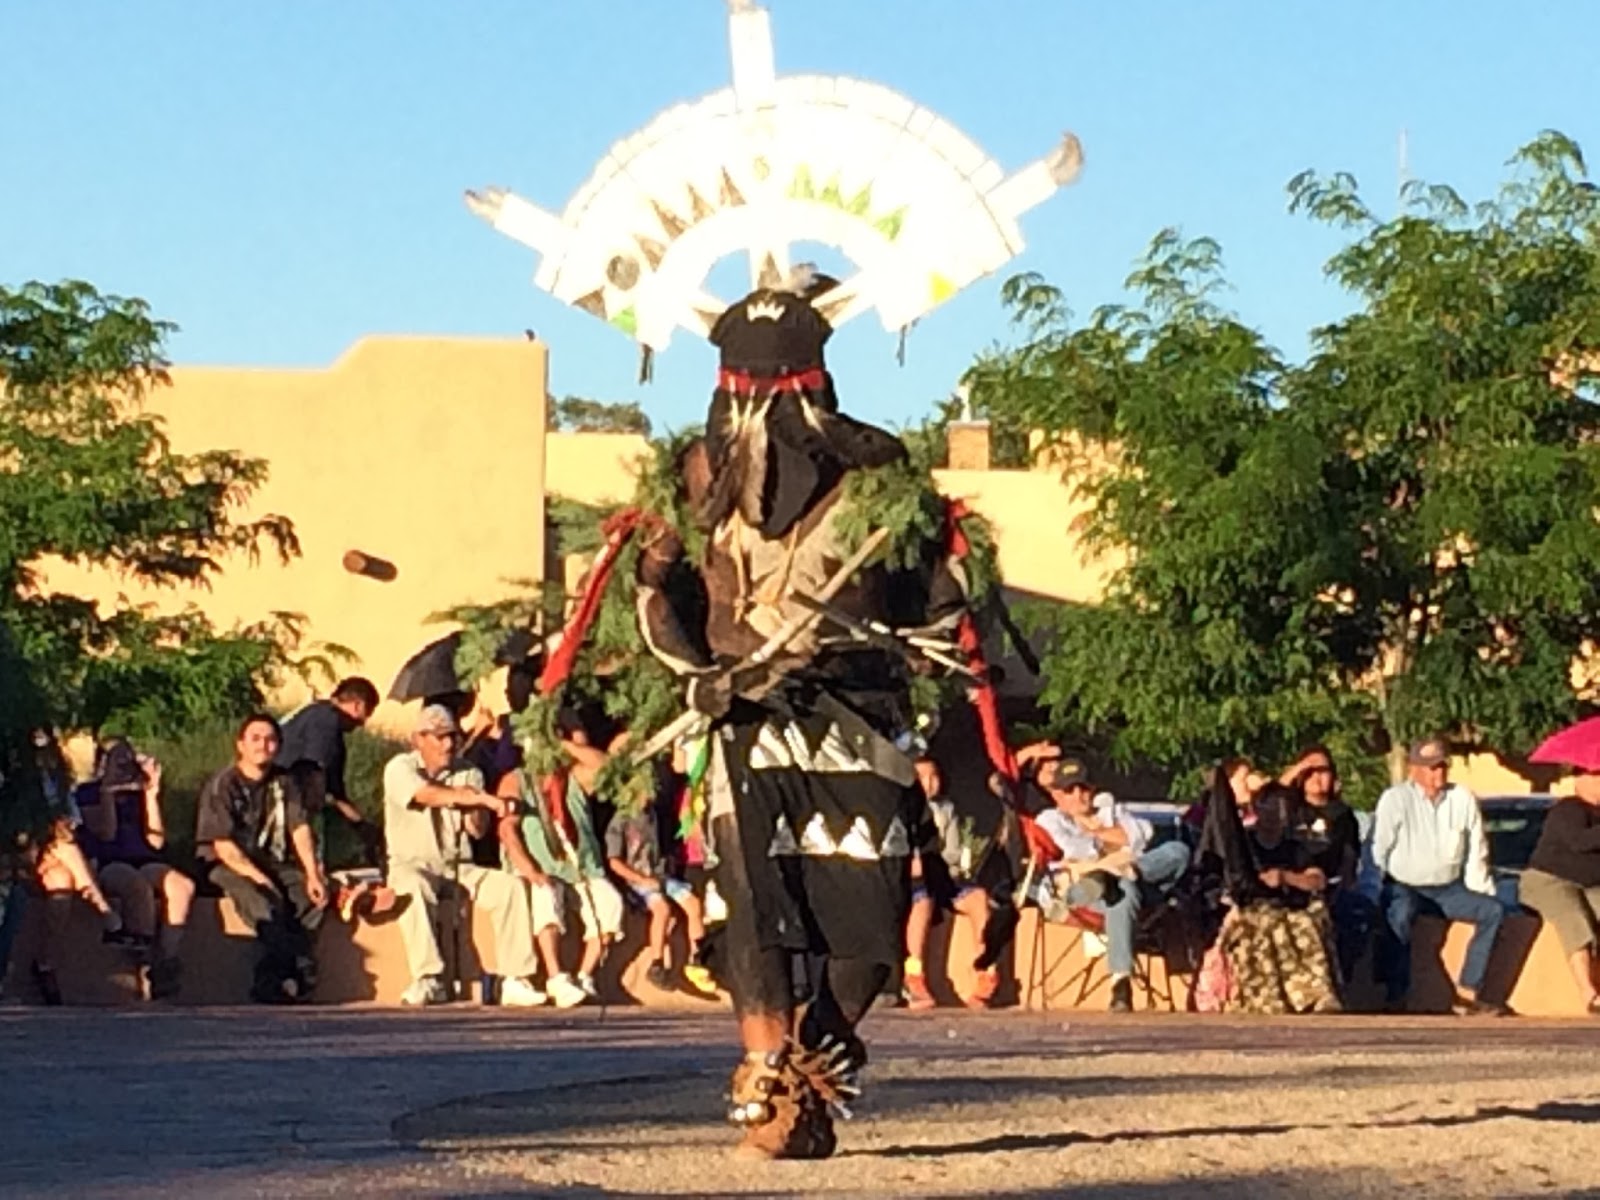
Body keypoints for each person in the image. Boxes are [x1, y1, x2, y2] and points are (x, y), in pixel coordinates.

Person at [631, 270, 965, 1158]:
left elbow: (937, 593)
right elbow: (654, 588)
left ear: (815, 375)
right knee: (753, 904)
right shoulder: (695, 475)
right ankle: (770, 1081)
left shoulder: (878, 469)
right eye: (744, 381)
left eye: (774, 379)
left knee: (870, 912)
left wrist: (925, 631)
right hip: (744, 717)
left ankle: (805, 1073)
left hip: (859, 716)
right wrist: (694, 667)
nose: (760, 402)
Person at [381, 704, 547, 1007]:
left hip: (458, 866)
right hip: (413, 864)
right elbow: (423, 795)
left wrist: (476, 807)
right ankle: (428, 979)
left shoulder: (469, 772)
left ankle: (516, 977)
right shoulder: (400, 767)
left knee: (509, 887)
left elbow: (477, 831)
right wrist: (468, 797)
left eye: (452, 737)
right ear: (419, 739)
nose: (447, 744)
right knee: (412, 887)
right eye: (439, 737)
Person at [1030, 751, 1192, 1013]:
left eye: (1083, 788)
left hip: (1132, 880)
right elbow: (1076, 848)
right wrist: (1109, 843)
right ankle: (1120, 981)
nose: (1079, 795)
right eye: (1070, 790)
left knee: (1177, 851)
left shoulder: (1111, 809)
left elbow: (1143, 834)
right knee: (1119, 888)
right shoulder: (1049, 820)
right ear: (1058, 794)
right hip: (1081, 892)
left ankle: (1130, 872)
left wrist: (1107, 843)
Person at [195, 713, 328, 1003]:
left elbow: (299, 827)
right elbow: (223, 845)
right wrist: (261, 879)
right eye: (255, 738)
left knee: (312, 899)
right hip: (225, 863)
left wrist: (313, 875)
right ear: (240, 745)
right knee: (262, 904)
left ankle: (273, 977)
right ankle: (297, 966)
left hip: (273, 862)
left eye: (270, 740)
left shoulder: (285, 782)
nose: (263, 745)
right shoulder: (223, 785)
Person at [498, 707, 626, 1007]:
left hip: (582, 868)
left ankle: (584, 975)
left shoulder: (574, 778)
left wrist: (565, 745)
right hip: (542, 868)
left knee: (610, 904)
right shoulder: (516, 781)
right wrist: (530, 870)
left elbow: (606, 767)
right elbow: (508, 831)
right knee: (546, 897)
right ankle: (556, 977)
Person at [1371, 736, 1507, 1016]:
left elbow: (1476, 848)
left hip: (1449, 889)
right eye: (1431, 767)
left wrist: (1480, 888)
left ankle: (1468, 991)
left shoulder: (1462, 798)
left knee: (1492, 911)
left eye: (1442, 766)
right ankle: (1397, 993)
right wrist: (1372, 889)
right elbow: (1377, 847)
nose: (1438, 773)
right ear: (1414, 769)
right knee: (1400, 913)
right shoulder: (1395, 799)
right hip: (1405, 885)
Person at [75, 740, 194, 999]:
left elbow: (156, 841)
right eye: (115, 759)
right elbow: (106, 834)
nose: (122, 764)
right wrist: (107, 793)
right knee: (134, 884)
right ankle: (144, 957)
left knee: (180, 885)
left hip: (143, 859)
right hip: (108, 861)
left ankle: (167, 960)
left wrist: (151, 795)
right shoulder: (86, 792)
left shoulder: (139, 793)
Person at [1215, 789, 1342, 1013]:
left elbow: (1317, 880)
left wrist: (1287, 878)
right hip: (1255, 907)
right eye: (1270, 808)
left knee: (1306, 922)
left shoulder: (1295, 848)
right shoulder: (1245, 847)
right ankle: (1270, 996)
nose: (1276, 815)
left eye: (1281, 810)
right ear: (1257, 810)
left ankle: (1318, 994)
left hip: (1292, 905)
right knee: (1265, 923)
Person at [903, 755, 995, 1010]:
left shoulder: (946, 809)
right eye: (922, 777)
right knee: (923, 901)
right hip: (911, 879)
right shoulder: (901, 808)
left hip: (940, 873)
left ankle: (983, 972)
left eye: (934, 776)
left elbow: (952, 851)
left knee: (978, 898)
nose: (929, 783)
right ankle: (914, 974)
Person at [605, 798, 717, 997]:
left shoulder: (656, 813)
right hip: (637, 880)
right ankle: (656, 964)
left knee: (693, 904)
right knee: (661, 908)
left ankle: (699, 959)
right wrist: (639, 878)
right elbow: (614, 861)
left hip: (662, 877)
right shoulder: (621, 818)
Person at [1278, 746, 1370, 980]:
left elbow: (1350, 857)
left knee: (1354, 917)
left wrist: (1342, 886)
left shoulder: (1342, 814)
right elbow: (1273, 794)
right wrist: (1301, 767)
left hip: (1332, 886)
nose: (1317, 777)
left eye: (1324, 770)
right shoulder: (1291, 809)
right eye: (1311, 771)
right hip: (1293, 886)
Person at [275, 677, 383, 867]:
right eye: (368, 712)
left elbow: (334, 789)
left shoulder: (314, 713)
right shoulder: (325, 722)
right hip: (289, 807)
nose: (363, 723)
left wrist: (360, 823)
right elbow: (316, 780)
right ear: (358, 705)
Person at [1518, 769, 1600, 1014]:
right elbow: (1579, 841)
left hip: (1590, 883)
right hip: (1549, 880)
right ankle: (1588, 992)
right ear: (1581, 779)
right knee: (1574, 918)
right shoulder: (1568, 809)